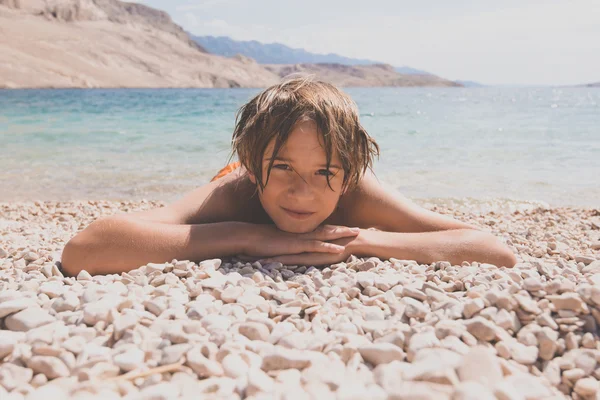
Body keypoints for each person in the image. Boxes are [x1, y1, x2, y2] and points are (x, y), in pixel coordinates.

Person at [61, 76, 517, 276]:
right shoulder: (235, 190)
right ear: (254, 161)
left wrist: (354, 240)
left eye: (324, 172)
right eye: (282, 168)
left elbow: (492, 249)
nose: (303, 191)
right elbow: (85, 249)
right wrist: (246, 237)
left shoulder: (354, 191)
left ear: (348, 170)